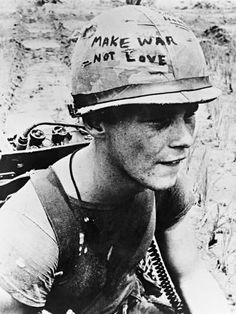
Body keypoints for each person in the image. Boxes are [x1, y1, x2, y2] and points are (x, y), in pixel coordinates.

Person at [0, 5, 231, 314]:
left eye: (189, 116)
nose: (184, 138)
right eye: (158, 121)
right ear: (96, 122)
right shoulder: (32, 230)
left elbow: (192, 276)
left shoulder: (161, 179)